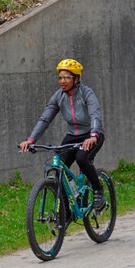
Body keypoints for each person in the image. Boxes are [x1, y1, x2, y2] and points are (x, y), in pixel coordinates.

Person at [19, 58, 106, 211]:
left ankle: (98, 190)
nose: (62, 81)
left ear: (76, 79)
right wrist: (31, 139)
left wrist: (93, 135)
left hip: (92, 134)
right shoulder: (59, 96)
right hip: (73, 135)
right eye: (60, 77)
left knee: (82, 158)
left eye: (67, 77)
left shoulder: (87, 93)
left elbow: (95, 114)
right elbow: (45, 119)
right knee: (58, 166)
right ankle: (66, 210)